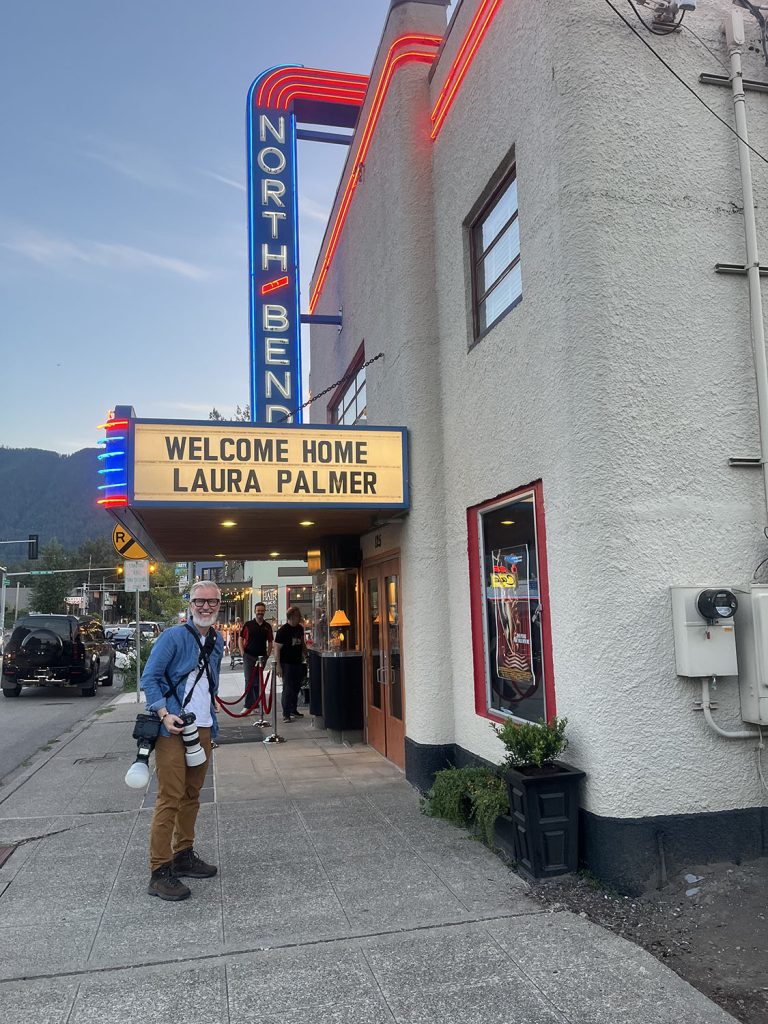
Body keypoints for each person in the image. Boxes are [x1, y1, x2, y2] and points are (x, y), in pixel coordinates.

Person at [140, 581, 224, 901]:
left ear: (219, 604)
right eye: (200, 601)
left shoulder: (216, 640)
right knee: (170, 796)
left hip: (202, 727)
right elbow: (150, 677)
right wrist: (164, 713)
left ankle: (184, 854)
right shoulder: (173, 637)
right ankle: (159, 870)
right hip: (171, 728)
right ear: (190, 603)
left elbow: (208, 683)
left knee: (192, 794)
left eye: (212, 602)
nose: (205, 607)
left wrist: (211, 717)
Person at [273, 605, 307, 722]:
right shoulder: (283, 631)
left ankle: (293, 709)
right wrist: (278, 666)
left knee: (296, 687)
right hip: (286, 663)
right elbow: (276, 648)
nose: (299, 618)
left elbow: (302, 643)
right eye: (297, 616)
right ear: (291, 617)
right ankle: (286, 713)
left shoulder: (299, 628)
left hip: (297, 661)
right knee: (288, 688)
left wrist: (306, 655)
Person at [240, 602, 273, 709]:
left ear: (264, 612)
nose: (260, 613)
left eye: (262, 611)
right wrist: (242, 652)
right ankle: (248, 705)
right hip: (249, 656)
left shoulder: (267, 626)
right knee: (249, 680)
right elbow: (241, 638)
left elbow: (270, 641)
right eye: (258, 610)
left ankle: (255, 704)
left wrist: (267, 655)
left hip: (261, 657)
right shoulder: (248, 625)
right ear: (255, 611)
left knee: (258, 682)